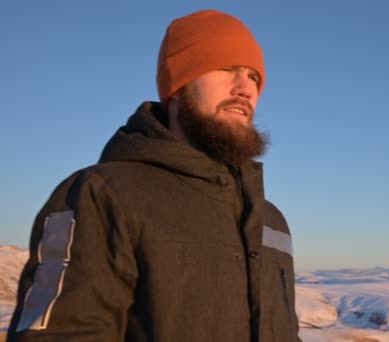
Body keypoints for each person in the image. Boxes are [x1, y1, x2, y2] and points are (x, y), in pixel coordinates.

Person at [8, 9, 300, 341]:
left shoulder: (270, 218)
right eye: (226, 69)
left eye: (254, 77)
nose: (245, 89)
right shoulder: (102, 195)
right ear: (178, 84)